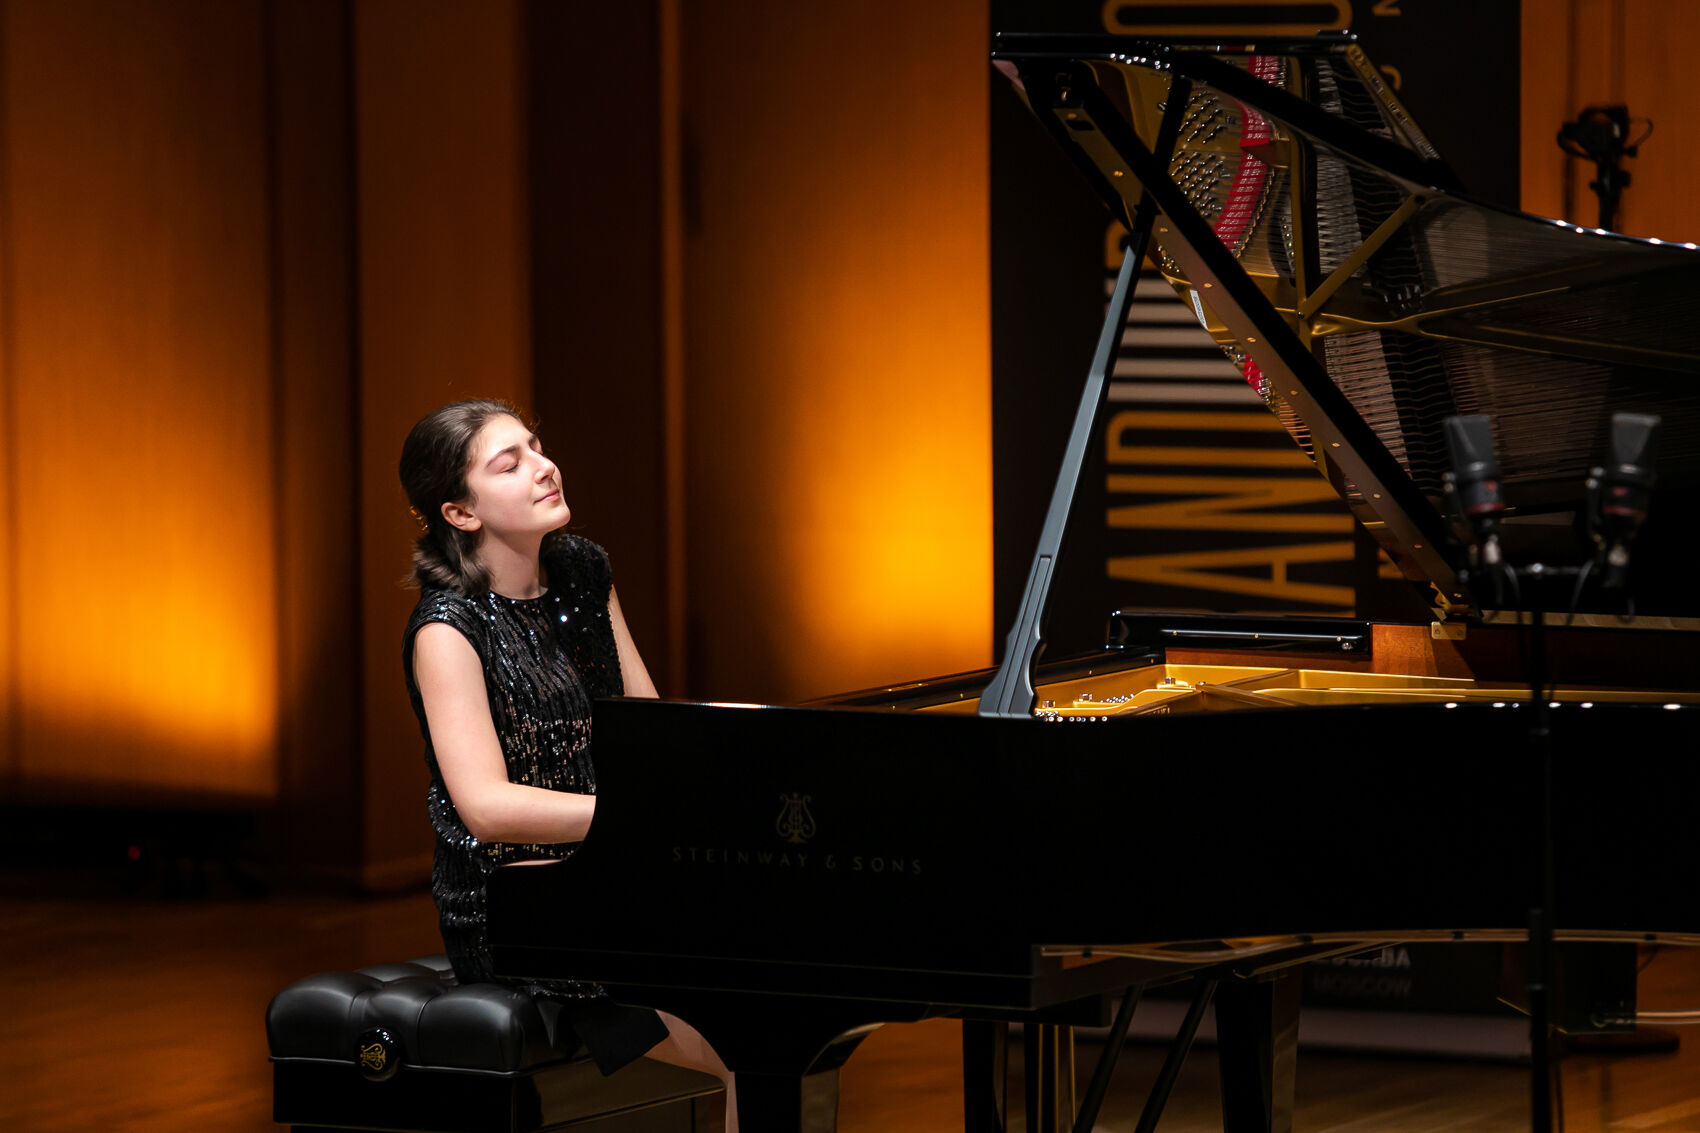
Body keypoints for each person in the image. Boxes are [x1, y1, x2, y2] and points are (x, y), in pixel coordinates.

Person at [398, 399, 736, 1127]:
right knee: (746, 1045)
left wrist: (715, 774)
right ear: (460, 512)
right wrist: (635, 821)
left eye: (536, 446)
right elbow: (486, 807)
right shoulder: (446, 629)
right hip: (515, 902)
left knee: (769, 989)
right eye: (509, 463)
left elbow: (646, 725)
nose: (543, 466)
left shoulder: (583, 570)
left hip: (616, 868)